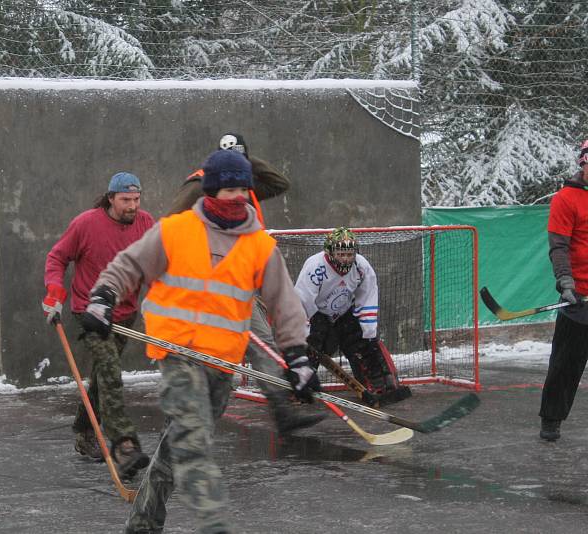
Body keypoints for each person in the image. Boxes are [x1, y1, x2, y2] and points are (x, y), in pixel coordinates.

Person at [81, 150, 320, 533]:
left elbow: (285, 302)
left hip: (222, 363)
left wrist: (298, 357)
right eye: (229, 188)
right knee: (193, 445)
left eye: (243, 187)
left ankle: (142, 523)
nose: (238, 195)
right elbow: (129, 264)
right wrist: (102, 297)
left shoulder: (258, 245)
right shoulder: (177, 230)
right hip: (177, 354)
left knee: (177, 448)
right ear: (210, 191)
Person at [168, 132, 324, 435]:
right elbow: (170, 226)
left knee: (263, 343)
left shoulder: (245, 186)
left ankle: (281, 409)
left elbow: (280, 184)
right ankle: (178, 426)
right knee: (205, 365)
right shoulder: (201, 185)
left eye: (242, 162)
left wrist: (247, 161)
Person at [41, 171, 154, 477]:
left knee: (102, 375)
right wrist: (54, 292)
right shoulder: (85, 224)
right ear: (110, 198)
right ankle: (124, 445)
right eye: (125, 200)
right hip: (89, 312)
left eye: (136, 199)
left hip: (124, 313)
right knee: (110, 373)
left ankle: (83, 429)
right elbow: (56, 258)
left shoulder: (145, 223)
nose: (132, 206)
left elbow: (157, 263)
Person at [294, 227, 412, 405]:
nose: (346, 259)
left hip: (345, 310)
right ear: (330, 252)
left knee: (363, 342)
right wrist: (304, 331)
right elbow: (302, 301)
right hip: (317, 313)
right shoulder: (315, 267)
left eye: (349, 254)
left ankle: (380, 385)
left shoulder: (361, 266)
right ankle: (299, 389)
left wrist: (368, 329)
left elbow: (368, 295)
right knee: (311, 347)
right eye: (341, 254)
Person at [539, 139, 588, 442]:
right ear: (583, 163)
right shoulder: (565, 199)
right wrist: (566, 283)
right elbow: (559, 247)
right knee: (565, 366)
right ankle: (551, 420)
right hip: (579, 296)